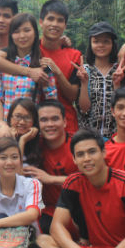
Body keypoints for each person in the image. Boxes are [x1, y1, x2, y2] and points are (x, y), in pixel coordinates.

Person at [0, 13, 58, 121]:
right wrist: (0, 124)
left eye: (27, 30)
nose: (22, 36)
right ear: (11, 35)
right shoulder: (3, 64)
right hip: (6, 125)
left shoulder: (43, 65)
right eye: (16, 31)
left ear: (35, 33)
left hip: (29, 125)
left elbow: (51, 99)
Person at [25, 100, 77, 234]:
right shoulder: (35, 146)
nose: (50, 124)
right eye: (44, 120)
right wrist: (22, 141)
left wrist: (50, 179)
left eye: (55, 119)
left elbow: (90, 180)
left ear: (64, 122)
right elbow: (15, 170)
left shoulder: (78, 145)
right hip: (51, 212)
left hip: (80, 210)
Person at [0, 136, 44, 236]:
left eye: (14, 157)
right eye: (3, 158)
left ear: (20, 161)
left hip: (29, 240)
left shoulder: (32, 184)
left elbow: (32, 215)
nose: (9, 162)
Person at [36, 0, 82, 134]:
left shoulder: (74, 56)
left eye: (60, 20)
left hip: (66, 127)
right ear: (41, 22)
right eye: (50, 19)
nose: (55, 24)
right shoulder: (30, 50)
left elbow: (73, 96)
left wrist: (57, 72)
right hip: (34, 125)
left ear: (65, 25)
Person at [75, 21, 121, 140]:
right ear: (90, 44)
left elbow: (121, 106)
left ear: (112, 44)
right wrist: (84, 83)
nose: (101, 45)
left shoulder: (120, 70)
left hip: (115, 137)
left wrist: (117, 84)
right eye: (96, 41)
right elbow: (84, 110)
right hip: (89, 138)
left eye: (106, 41)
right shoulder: (85, 70)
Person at [0, 97, 40, 172]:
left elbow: (18, 174)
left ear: (34, 121)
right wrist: (8, 143)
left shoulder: (36, 143)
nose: (22, 122)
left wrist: (21, 142)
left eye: (27, 117)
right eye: (18, 116)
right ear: (10, 118)